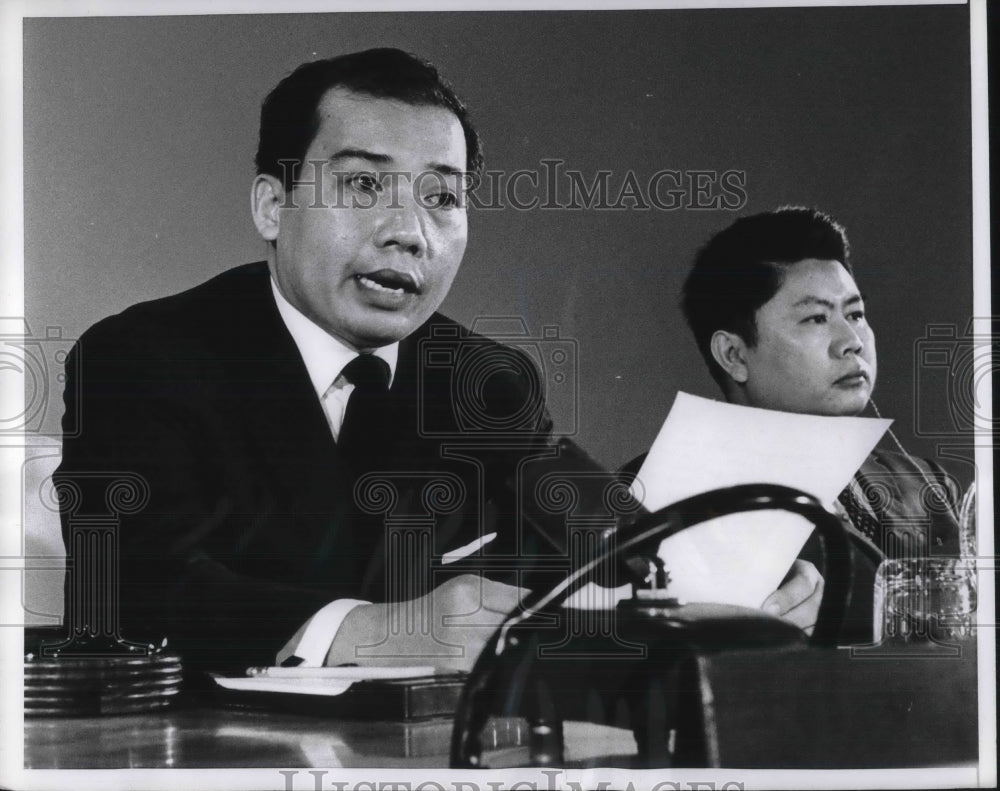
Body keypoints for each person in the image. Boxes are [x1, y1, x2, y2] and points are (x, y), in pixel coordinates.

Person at [54, 49, 819, 675]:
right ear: (271, 204)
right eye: (362, 184)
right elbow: (131, 580)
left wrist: (729, 588)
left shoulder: (482, 378)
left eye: (442, 198)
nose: (409, 232)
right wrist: (375, 631)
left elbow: (603, 532)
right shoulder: (141, 358)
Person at [677, 206, 962, 642]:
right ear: (734, 355)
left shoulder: (926, 484)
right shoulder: (668, 496)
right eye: (815, 318)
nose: (851, 343)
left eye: (855, 314)